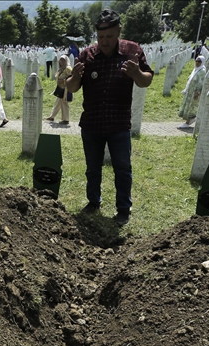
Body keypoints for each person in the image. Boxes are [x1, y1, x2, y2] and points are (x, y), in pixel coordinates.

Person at [65, 9, 153, 227]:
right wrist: (73, 79)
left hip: (118, 123)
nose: (104, 42)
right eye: (100, 37)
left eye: (109, 37)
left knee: (123, 168)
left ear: (119, 31)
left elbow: (146, 80)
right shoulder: (87, 55)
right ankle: (93, 201)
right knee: (92, 167)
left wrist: (136, 74)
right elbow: (72, 87)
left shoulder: (132, 51)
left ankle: (123, 208)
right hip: (92, 123)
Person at [177, 56, 205, 128]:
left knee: (191, 106)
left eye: (199, 61)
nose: (197, 63)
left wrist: (198, 92)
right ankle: (188, 120)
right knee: (188, 106)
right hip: (190, 91)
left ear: (202, 62)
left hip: (195, 92)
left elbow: (201, 82)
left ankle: (188, 122)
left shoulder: (202, 71)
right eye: (196, 61)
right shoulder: (195, 70)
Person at [46, 54, 73, 125]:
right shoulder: (62, 68)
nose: (61, 61)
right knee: (57, 103)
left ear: (66, 60)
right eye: (60, 60)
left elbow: (71, 78)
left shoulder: (68, 69)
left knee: (64, 103)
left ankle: (66, 119)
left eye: (63, 60)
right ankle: (52, 116)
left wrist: (63, 81)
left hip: (66, 89)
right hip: (60, 88)